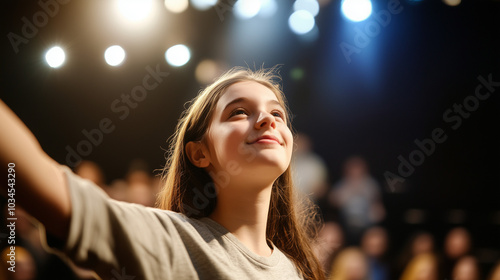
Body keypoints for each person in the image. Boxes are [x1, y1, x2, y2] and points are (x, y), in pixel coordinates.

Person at [0, 67, 325, 280]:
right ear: (200, 153)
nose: (267, 120)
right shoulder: (170, 242)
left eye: (277, 113)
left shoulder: (300, 271)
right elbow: (33, 175)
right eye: (239, 111)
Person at [328, 156, 385, 245]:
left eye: (358, 168)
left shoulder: (371, 184)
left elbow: (378, 205)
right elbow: (333, 201)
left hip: (366, 223)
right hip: (346, 223)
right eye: (353, 168)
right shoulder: (342, 185)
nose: (356, 171)